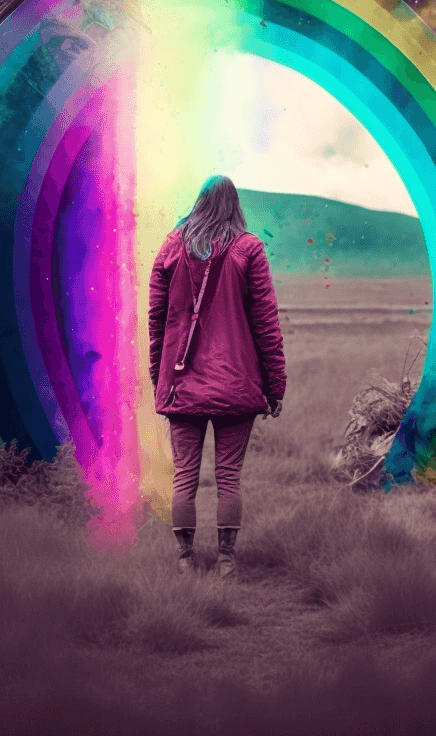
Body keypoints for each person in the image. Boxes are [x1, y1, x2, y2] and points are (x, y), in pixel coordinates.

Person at [148, 176, 286, 578]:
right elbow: (267, 325)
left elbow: (156, 323)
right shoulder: (249, 249)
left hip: (182, 385)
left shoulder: (171, 247)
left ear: (199, 202)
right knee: (229, 476)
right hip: (237, 384)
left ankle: (184, 559)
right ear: (234, 206)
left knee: (184, 474)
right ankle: (227, 559)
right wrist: (275, 386)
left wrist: (162, 380)